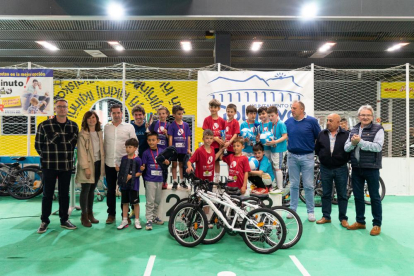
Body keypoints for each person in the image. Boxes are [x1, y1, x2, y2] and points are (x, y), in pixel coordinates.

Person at [35, 99, 79, 234]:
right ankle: (44, 221)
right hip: (49, 166)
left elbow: (73, 145)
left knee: (64, 194)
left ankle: (64, 219)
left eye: (64, 107)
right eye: (59, 107)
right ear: (55, 109)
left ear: (67, 109)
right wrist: (47, 158)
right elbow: (38, 145)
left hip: (66, 166)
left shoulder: (73, 126)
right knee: (47, 194)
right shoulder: (44, 125)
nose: (62, 109)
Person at [345, 105, 384, 236]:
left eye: (368, 115)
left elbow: (378, 147)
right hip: (356, 168)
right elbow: (346, 148)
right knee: (358, 197)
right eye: (363, 115)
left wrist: (360, 142)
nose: (365, 117)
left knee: (374, 197)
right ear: (359, 116)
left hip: (371, 168)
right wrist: (353, 143)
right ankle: (360, 221)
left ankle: (377, 224)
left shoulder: (378, 129)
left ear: (372, 117)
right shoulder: (354, 129)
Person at [285, 100, 321, 222]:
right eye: (291, 108)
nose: (292, 110)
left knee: (309, 186)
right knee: (294, 185)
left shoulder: (312, 121)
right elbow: (283, 136)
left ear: (302, 109)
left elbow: (319, 137)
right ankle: (292, 210)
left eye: (294, 108)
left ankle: (310, 212)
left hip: (307, 157)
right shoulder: (288, 122)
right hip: (292, 157)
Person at [315, 113, 350, 227]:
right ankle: (326, 216)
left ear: (338, 123)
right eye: (327, 120)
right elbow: (317, 149)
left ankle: (343, 218)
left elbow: (349, 150)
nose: (328, 123)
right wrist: (323, 158)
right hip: (325, 168)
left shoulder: (346, 135)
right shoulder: (322, 134)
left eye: (331, 121)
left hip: (341, 168)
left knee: (342, 194)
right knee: (326, 193)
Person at [104, 104, 137, 224]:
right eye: (114, 113)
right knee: (110, 190)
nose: (116, 115)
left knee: (125, 190)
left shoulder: (129, 127)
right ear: (110, 114)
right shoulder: (106, 127)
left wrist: (134, 161)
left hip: (125, 164)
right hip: (109, 163)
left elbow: (135, 144)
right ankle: (111, 214)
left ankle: (125, 215)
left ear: (122, 113)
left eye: (118, 112)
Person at [75, 111, 105, 228]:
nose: (91, 120)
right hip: (87, 165)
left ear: (97, 119)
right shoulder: (82, 134)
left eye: (93, 117)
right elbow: (81, 152)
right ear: (85, 120)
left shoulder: (99, 133)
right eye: (89, 118)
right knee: (85, 189)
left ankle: (90, 213)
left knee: (92, 190)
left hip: (98, 164)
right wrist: (86, 168)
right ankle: (84, 215)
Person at [141, 132, 167, 230]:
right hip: (150, 180)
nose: (151, 142)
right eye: (150, 140)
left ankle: (155, 217)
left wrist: (166, 162)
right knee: (150, 201)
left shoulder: (162, 151)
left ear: (158, 141)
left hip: (159, 179)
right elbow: (143, 165)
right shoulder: (146, 153)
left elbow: (165, 164)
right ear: (147, 141)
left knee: (157, 200)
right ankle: (148, 220)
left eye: (153, 140)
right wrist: (142, 168)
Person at [116, 138, 142, 230]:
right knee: (125, 203)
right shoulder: (123, 159)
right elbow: (122, 171)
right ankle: (124, 220)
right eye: (126, 147)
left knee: (135, 203)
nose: (127, 149)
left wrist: (132, 176)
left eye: (130, 147)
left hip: (134, 186)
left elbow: (140, 172)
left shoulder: (138, 160)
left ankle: (137, 220)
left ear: (135, 148)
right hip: (124, 186)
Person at [168, 105, 191, 190]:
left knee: (181, 165)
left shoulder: (186, 125)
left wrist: (188, 148)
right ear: (174, 115)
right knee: (174, 165)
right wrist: (170, 149)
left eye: (181, 114)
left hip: (183, 149)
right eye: (178, 114)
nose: (180, 116)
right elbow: (170, 137)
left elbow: (188, 137)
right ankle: (174, 181)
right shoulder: (172, 125)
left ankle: (182, 181)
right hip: (175, 149)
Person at [203, 99, 226, 182]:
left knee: (217, 162)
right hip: (209, 146)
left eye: (215, 107)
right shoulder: (207, 120)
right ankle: (207, 179)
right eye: (211, 107)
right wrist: (214, 138)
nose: (213, 109)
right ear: (209, 108)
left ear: (218, 108)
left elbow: (223, 135)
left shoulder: (222, 121)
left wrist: (221, 147)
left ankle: (216, 180)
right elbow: (205, 133)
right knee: (208, 162)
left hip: (218, 146)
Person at [265, 106, 287, 191]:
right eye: (269, 116)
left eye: (272, 116)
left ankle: (280, 188)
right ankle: (275, 186)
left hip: (279, 149)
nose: (270, 118)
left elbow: (285, 136)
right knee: (273, 167)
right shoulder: (270, 124)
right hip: (272, 148)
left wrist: (275, 142)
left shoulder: (281, 124)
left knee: (278, 168)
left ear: (277, 114)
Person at [149, 106, 170, 189]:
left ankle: (164, 182)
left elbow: (170, 138)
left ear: (167, 114)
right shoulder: (154, 123)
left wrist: (166, 134)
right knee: (155, 165)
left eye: (163, 113)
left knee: (164, 166)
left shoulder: (169, 125)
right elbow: (149, 133)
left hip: (164, 149)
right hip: (155, 149)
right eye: (160, 114)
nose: (161, 115)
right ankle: (155, 180)